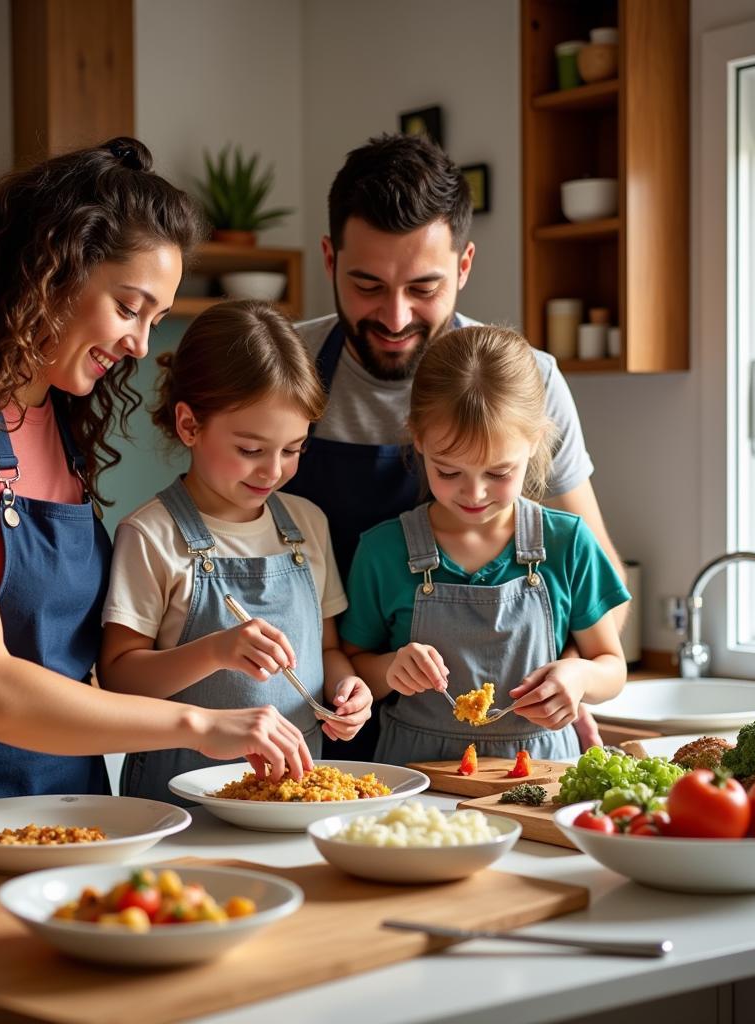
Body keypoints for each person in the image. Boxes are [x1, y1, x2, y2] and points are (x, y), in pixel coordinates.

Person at [0, 138, 313, 821]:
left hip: (69, 803)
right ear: (53, 269)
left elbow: (86, 670)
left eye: (155, 321)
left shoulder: (55, 424)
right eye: (130, 308)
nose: (138, 344)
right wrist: (200, 728)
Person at [284, 133, 627, 757]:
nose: (393, 317)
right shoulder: (286, 370)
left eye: (423, 288)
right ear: (330, 259)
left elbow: (593, 582)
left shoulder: (529, 380)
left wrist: (567, 680)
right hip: (307, 716)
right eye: (367, 285)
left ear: (464, 266)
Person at [98, 301, 372, 803]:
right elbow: (119, 679)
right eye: (250, 450)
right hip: (179, 801)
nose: (273, 471)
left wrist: (349, 689)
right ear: (189, 426)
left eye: (293, 449)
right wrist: (216, 650)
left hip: (296, 798)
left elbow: (329, 650)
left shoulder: (308, 524)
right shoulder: (150, 534)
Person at [341, 325, 629, 765]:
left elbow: (611, 665)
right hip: (416, 775)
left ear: (533, 441)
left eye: (498, 473)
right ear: (417, 438)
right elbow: (353, 664)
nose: (474, 494)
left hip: (540, 769)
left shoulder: (567, 543)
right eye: (449, 472)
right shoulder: (383, 551)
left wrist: (578, 675)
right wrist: (390, 669)